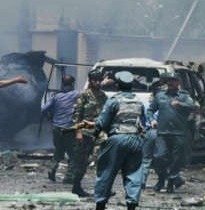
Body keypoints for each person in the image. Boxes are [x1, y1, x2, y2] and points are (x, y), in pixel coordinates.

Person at [82, 71, 144, 210]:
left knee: (106, 172)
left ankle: (100, 205)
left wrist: (95, 134)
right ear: (133, 85)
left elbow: (102, 123)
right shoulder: (138, 101)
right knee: (133, 174)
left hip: (117, 139)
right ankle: (131, 206)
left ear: (117, 85)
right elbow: (141, 122)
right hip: (135, 139)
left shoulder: (113, 100)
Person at [147, 72, 196, 193]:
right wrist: (151, 120)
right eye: (169, 80)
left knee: (176, 159)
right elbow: (150, 109)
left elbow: (192, 106)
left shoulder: (183, 96)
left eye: (173, 80)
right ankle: (161, 178)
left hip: (178, 133)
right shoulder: (160, 95)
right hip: (163, 133)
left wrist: (180, 104)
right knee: (159, 157)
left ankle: (171, 182)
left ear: (178, 82)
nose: (170, 82)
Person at [71, 69, 108, 197]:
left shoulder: (103, 96)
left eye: (99, 80)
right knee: (82, 163)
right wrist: (78, 132)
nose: (97, 82)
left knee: (100, 160)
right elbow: (77, 116)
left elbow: (106, 114)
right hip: (85, 132)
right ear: (90, 81)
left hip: (98, 132)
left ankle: (102, 189)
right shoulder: (84, 95)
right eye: (95, 80)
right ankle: (76, 186)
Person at [41, 75, 80, 183]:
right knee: (74, 154)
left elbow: (43, 109)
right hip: (69, 129)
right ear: (72, 84)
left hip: (56, 128)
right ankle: (68, 177)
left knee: (59, 149)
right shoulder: (76, 94)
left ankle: (52, 169)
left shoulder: (55, 96)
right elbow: (89, 91)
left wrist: (48, 117)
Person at [140, 77, 166, 188]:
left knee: (146, 159)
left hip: (150, 133)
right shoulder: (167, 107)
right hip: (163, 134)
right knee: (162, 158)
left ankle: (141, 181)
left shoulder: (147, 107)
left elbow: (142, 122)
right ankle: (163, 181)